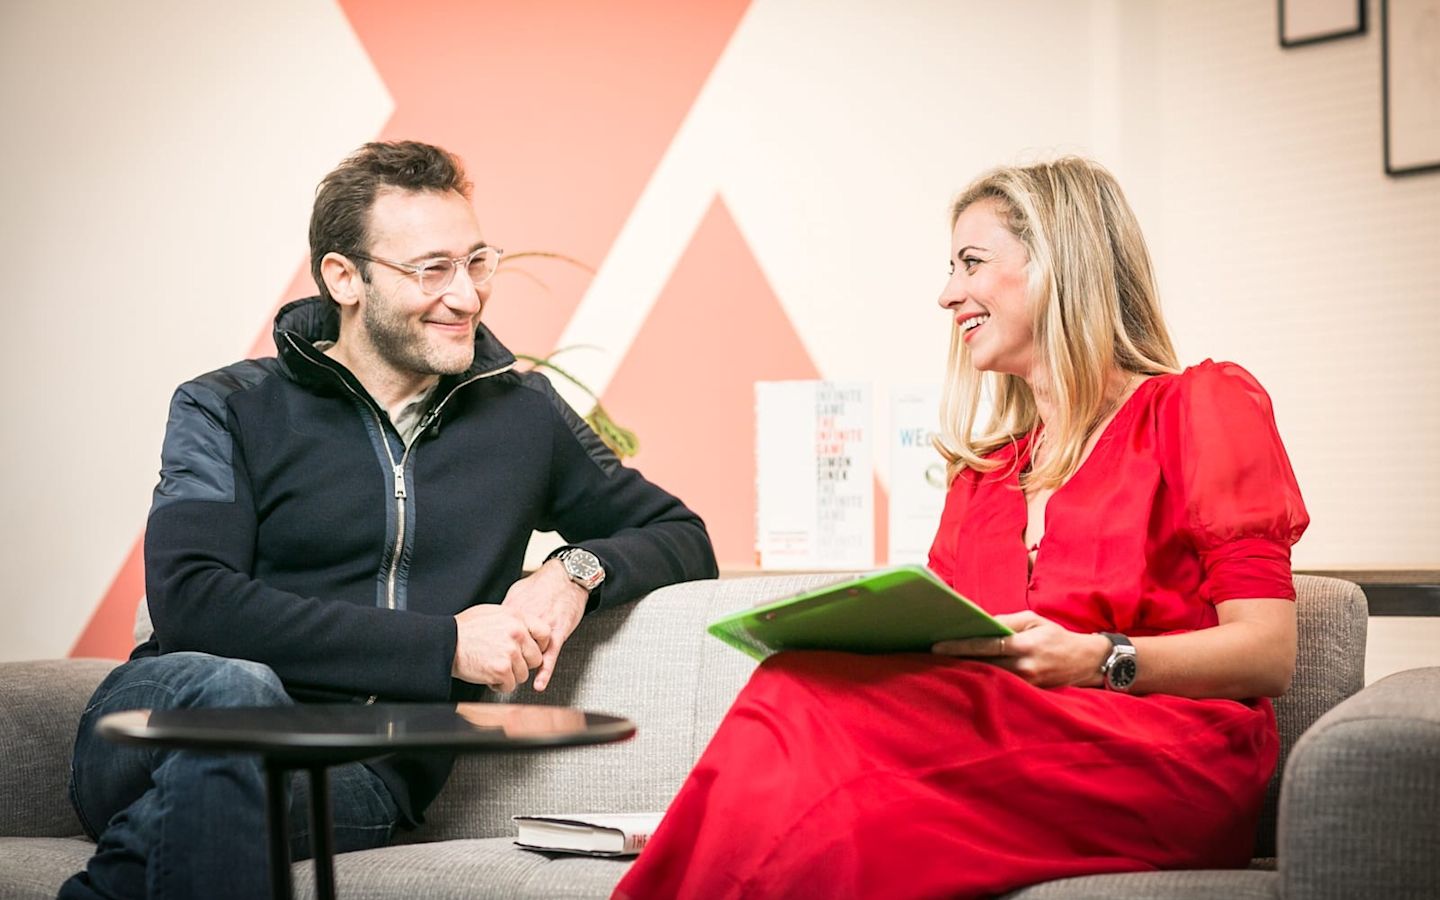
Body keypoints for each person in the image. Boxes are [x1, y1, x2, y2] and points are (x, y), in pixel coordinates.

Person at [615, 157, 1308, 899]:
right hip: (1006, 750)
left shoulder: (1199, 407)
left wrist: (1098, 658)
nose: (948, 294)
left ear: (1057, 265)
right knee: (800, 701)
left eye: (970, 263)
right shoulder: (984, 477)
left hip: (1162, 758)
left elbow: (1267, 653)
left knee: (803, 718)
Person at [61, 140, 718, 900]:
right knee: (237, 692)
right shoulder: (227, 406)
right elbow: (193, 601)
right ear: (345, 277)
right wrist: (444, 646)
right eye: (431, 269)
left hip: (360, 775)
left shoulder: (523, 416)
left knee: (226, 797)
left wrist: (572, 572)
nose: (468, 296)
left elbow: (679, 534)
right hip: (161, 721)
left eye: (477, 262)